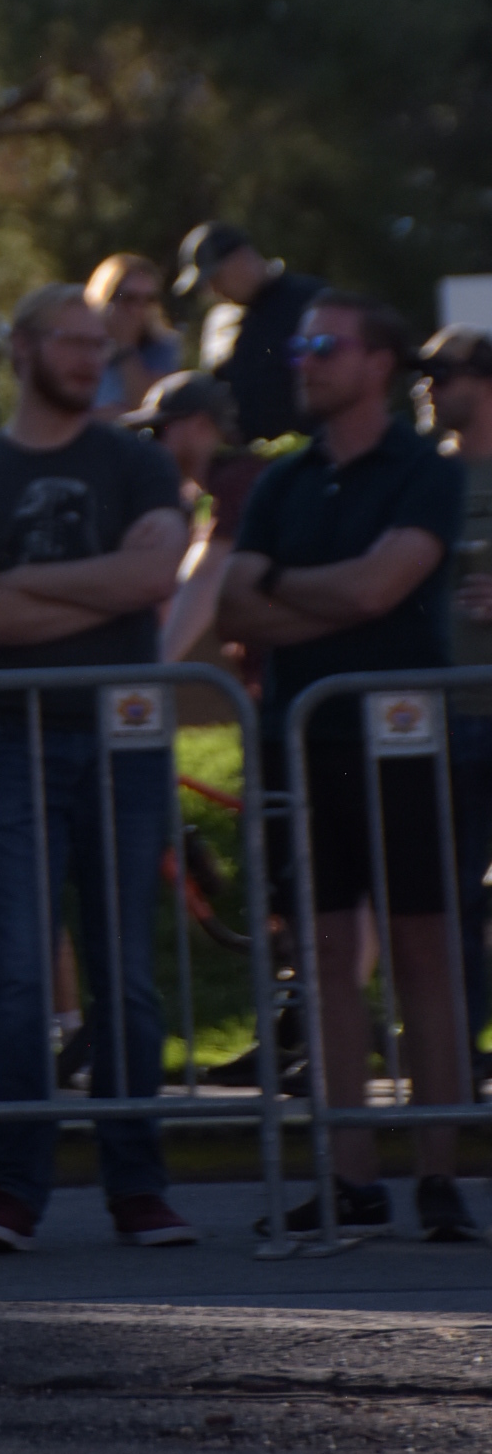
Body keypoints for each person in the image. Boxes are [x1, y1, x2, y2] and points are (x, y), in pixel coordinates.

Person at [0, 285, 196, 1253]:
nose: (91, 358)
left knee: (125, 972)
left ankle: (138, 1185)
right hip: (10, 740)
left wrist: (22, 582)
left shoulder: (137, 462)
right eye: (72, 342)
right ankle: (14, 1188)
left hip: (124, 738)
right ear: (20, 347)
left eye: (98, 344)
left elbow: (153, 577)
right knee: (14, 971)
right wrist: (94, 588)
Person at [220, 295, 472, 1241]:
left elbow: (382, 586)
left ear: (379, 365)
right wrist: (316, 599)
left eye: (325, 345)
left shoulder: (426, 471)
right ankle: (349, 1176)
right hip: (303, 740)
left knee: (422, 952)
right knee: (324, 957)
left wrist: (285, 587)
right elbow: (235, 608)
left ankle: (440, 1175)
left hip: (403, 744)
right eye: (301, 346)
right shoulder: (281, 481)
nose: (305, 360)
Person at [422, 327, 492, 1075]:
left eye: (445, 371)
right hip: (445, 717)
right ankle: (461, 1064)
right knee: (451, 900)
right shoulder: (422, 478)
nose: (430, 386)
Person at [119, 369, 248, 661]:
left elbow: (205, 578)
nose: (149, 445)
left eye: (157, 431)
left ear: (201, 425)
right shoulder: (202, 497)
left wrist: (150, 672)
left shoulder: (236, 483)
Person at [175, 222, 323, 445]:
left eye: (216, 277)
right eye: (206, 285)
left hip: (309, 451)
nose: (213, 290)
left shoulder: (311, 301)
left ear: (242, 257)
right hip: (245, 456)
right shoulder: (220, 321)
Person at [85, 253, 183, 422]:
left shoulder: (162, 346)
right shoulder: (81, 343)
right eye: (128, 299)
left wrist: (125, 347)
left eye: (149, 300)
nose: (138, 309)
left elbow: (149, 407)